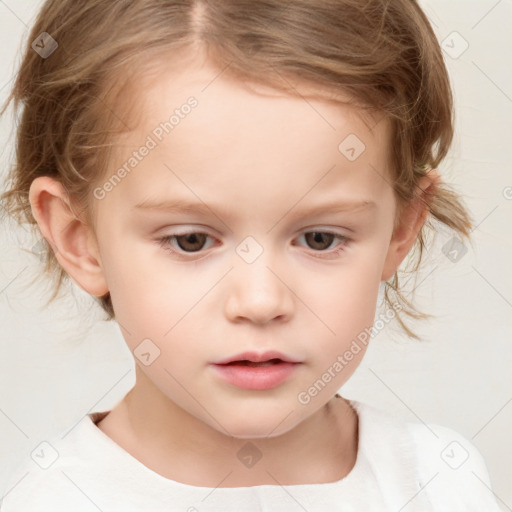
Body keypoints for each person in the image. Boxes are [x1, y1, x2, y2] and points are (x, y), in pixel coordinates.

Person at [0, 1, 503, 510]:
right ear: (78, 237)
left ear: (400, 229)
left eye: (320, 239)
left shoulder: (442, 484)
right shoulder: (53, 500)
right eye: (191, 240)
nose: (261, 302)